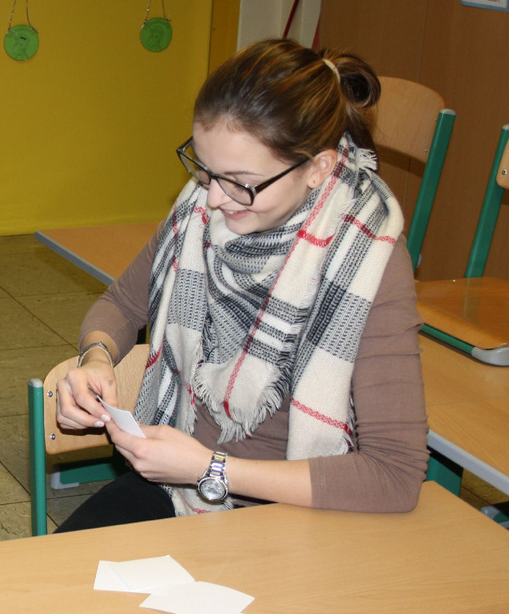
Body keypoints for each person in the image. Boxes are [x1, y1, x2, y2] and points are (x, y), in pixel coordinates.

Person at [55, 38, 428, 531]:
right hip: (178, 484)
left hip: (296, 511)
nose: (213, 198)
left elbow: (394, 476)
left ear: (317, 168)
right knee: (62, 573)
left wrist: (211, 469)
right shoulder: (198, 213)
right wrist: (97, 358)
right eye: (206, 170)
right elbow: (122, 304)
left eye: (240, 181)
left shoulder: (366, 257)